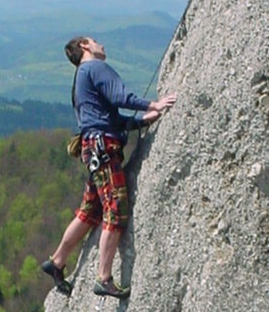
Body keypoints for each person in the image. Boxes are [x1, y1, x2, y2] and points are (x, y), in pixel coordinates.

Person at [41, 36, 177, 298]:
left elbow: (108, 117)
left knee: (90, 211)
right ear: (84, 46)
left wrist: (140, 122)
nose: (101, 45)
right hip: (103, 147)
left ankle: (57, 261)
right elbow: (120, 96)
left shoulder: (82, 77)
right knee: (116, 208)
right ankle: (104, 278)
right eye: (95, 41)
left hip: (93, 147)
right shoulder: (94, 68)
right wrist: (154, 104)